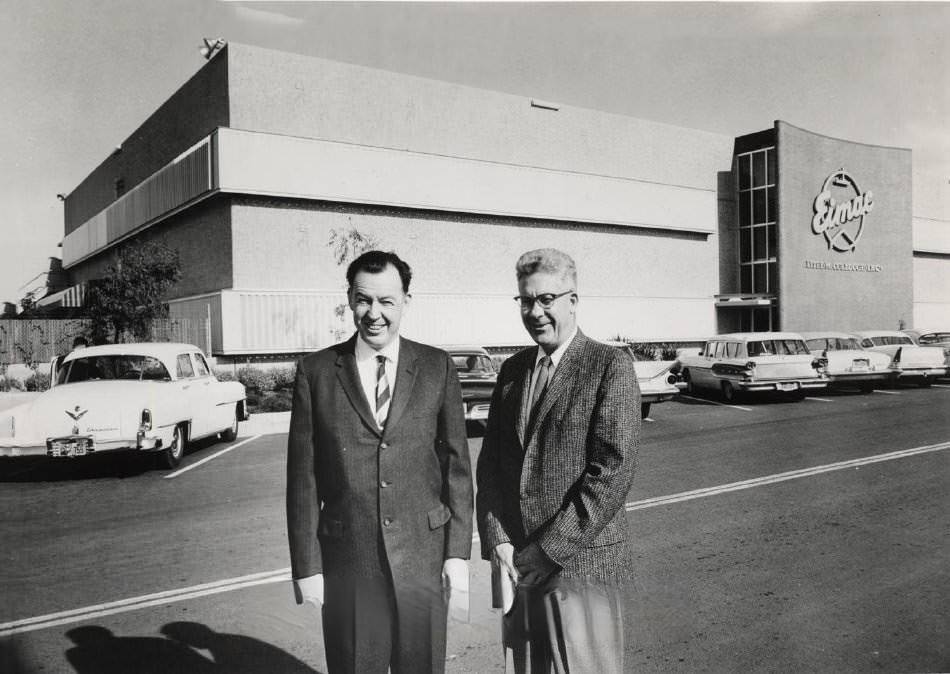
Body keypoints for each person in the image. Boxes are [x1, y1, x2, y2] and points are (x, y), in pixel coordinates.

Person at [286, 250, 473, 674]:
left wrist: (457, 554)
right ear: (349, 300)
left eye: (387, 301)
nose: (374, 314)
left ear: (406, 300)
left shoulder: (436, 366)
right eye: (364, 300)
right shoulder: (315, 372)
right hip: (349, 564)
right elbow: (302, 481)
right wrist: (307, 566)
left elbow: (456, 467)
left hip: (422, 562)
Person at [476, 248, 640, 673]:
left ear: (572, 300)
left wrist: (547, 551)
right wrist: (498, 541)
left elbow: (611, 473)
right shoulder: (512, 372)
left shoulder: (609, 366)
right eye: (526, 301)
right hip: (520, 571)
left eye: (546, 299)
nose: (535, 311)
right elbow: (490, 467)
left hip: (581, 566)